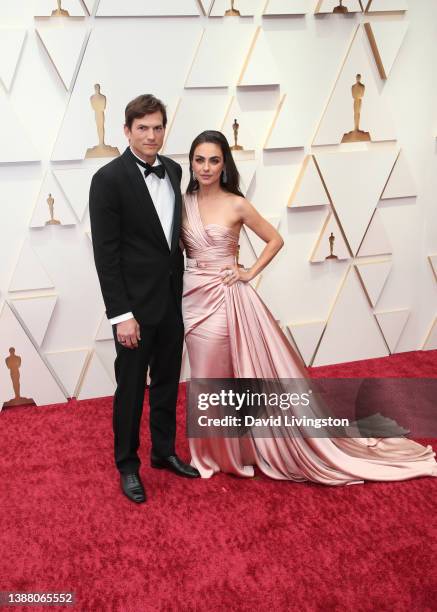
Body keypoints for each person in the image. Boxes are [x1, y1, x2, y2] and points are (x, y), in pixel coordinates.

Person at [181, 130, 437, 485]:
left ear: (225, 165)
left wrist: (248, 272)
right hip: (193, 297)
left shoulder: (236, 203)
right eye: (199, 159)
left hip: (226, 299)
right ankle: (211, 451)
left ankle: (235, 453)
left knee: (227, 375)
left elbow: (275, 239)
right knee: (203, 377)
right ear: (190, 163)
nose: (206, 167)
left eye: (214, 160)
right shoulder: (182, 203)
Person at [89, 94, 199, 504]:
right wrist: (121, 315)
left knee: (168, 384)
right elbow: (107, 254)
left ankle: (164, 452)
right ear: (126, 130)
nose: (151, 135)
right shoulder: (108, 179)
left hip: (171, 302)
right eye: (142, 128)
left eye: (157, 128)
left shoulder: (173, 170)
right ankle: (127, 465)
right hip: (134, 310)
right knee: (131, 389)